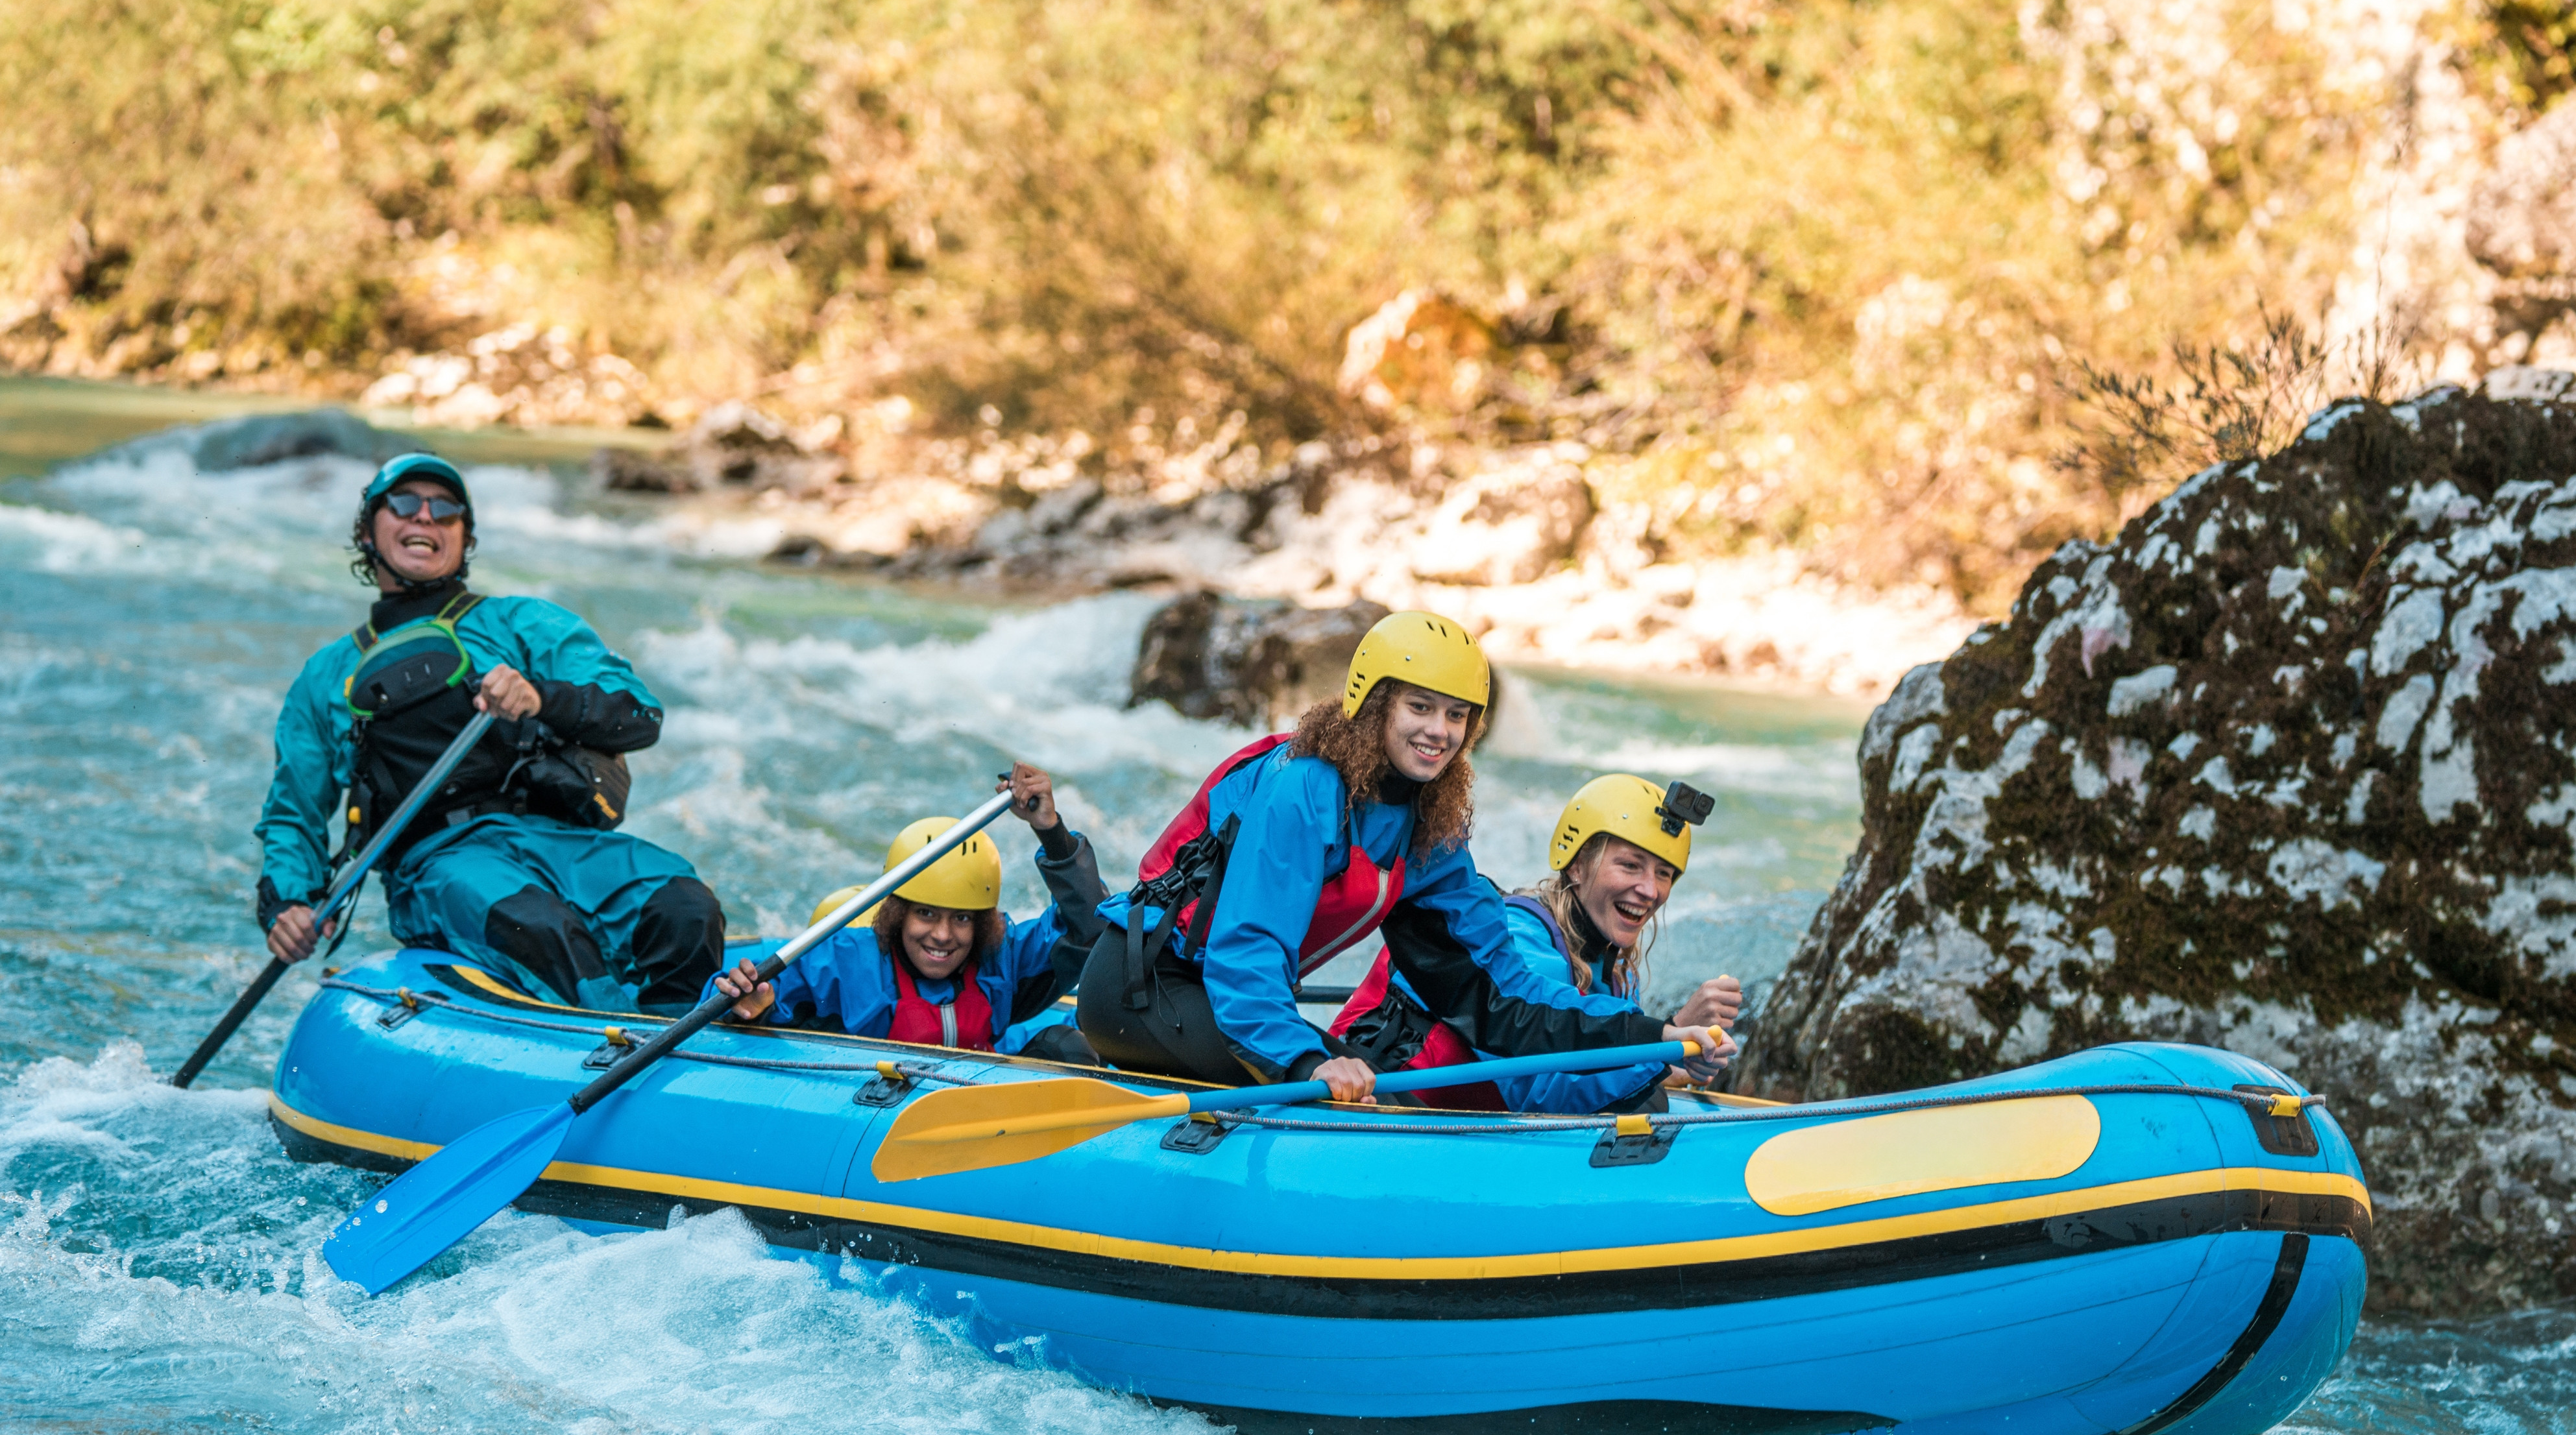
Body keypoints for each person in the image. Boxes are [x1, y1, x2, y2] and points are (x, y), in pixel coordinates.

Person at [1073, 610, 1734, 1100]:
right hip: (1145, 988)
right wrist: (1306, 1062)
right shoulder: (1304, 786)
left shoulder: (1430, 829)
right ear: (1374, 704)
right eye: (1419, 707)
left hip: (1224, 1003)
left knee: (1369, 1097)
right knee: (1333, 1099)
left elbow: (1504, 993)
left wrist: (1651, 1033)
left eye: (1457, 716)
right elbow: (1246, 950)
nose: (1438, 733)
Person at [257, 453, 725, 1014]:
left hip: (556, 840)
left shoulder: (523, 624)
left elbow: (639, 715)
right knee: (538, 927)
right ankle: (616, 1040)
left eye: (446, 509)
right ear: (368, 529)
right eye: (405, 503)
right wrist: (289, 902)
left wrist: (541, 696)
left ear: (464, 536)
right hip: (435, 864)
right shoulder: (328, 675)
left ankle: (682, 1051)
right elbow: (295, 813)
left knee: (683, 905)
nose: (425, 518)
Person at [1333, 773, 1744, 1113]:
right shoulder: (1521, 939)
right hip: (1380, 1097)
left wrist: (1684, 1052)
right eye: (1630, 865)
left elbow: (1597, 1066)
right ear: (1578, 865)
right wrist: (1664, 1041)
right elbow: (1539, 1092)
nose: (1650, 890)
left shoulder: (1611, 965)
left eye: (1665, 874)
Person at [705, 764, 1107, 1055]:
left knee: (1067, 1050)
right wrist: (752, 1005)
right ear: (898, 913)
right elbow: (743, 990)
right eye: (927, 914)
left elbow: (1090, 928)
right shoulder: (847, 960)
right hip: (867, 1114)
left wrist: (1051, 831)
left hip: (979, 1104)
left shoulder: (1001, 957)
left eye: (962, 918)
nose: (944, 936)